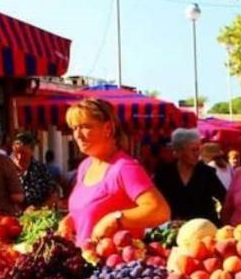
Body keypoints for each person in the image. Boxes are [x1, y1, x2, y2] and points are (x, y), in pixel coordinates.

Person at [59, 98, 170, 242]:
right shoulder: (85, 167)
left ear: (108, 129)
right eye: (75, 128)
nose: (78, 135)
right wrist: (70, 220)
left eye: (86, 127)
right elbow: (91, 209)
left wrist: (116, 219)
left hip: (116, 262)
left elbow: (160, 211)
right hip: (87, 259)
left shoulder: (125, 168)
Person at [153, 128, 226, 223]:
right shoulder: (164, 173)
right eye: (193, 150)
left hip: (204, 229)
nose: (197, 154)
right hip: (172, 230)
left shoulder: (207, 173)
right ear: (179, 152)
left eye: (198, 150)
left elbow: (225, 198)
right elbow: (155, 201)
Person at [11, 132, 60, 209]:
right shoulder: (7, 168)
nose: (19, 157)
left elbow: (54, 194)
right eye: (17, 153)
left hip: (36, 215)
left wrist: (39, 208)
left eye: (24, 153)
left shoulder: (41, 169)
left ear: (32, 152)